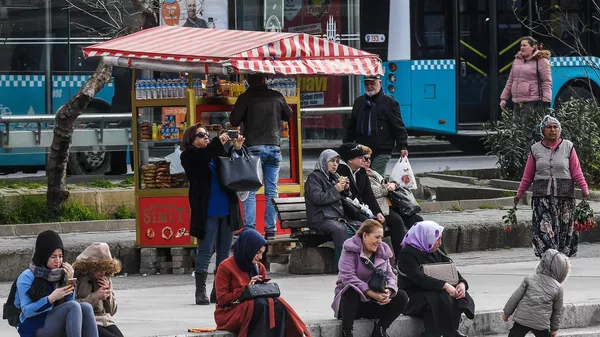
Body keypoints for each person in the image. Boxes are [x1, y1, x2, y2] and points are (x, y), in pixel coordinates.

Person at [180, 123, 246, 305]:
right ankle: (200, 291)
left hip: (227, 208)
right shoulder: (189, 155)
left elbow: (235, 169)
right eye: (201, 135)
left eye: (207, 134)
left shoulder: (216, 152)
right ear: (191, 140)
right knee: (205, 250)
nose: (206, 137)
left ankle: (219, 290)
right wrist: (221, 140)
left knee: (224, 253)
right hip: (207, 210)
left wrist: (237, 149)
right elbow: (204, 156)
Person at [514, 115, 589, 257]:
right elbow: (527, 175)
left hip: (564, 198)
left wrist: (584, 188)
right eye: (549, 127)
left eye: (555, 127)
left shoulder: (568, 147)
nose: (552, 130)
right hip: (542, 199)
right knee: (545, 230)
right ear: (543, 130)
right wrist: (519, 193)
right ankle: (549, 258)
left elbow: (576, 171)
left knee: (563, 231)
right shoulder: (535, 149)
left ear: (559, 130)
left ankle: (560, 260)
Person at [230, 73, 293, 240]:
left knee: (251, 189)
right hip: (274, 146)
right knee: (272, 190)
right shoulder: (277, 95)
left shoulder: (246, 97)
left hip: (254, 147)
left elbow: (234, 120)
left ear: (248, 82)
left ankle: (250, 227)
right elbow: (289, 115)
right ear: (265, 80)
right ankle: (270, 228)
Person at [213, 229, 311, 337]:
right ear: (248, 248)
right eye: (258, 252)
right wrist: (246, 290)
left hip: (253, 306)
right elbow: (222, 300)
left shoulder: (259, 267)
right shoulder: (225, 267)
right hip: (229, 312)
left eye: (262, 253)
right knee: (259, 305)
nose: (260, 257)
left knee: (278, 304)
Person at [397, 221, 475, 337]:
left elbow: (449, 269)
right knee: (441, 298)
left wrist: (461, 283)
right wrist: (444, 285)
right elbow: (417, 277)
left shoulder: (435, 249)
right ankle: (448, 333)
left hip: (435, 289)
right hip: (414, 294)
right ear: (426, 237)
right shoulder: (407, 253)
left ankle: (448, 331)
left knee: (457, 295)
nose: (439, 243)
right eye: (437, 239)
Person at [332, 220, 409, 337]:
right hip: (352, 305)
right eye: (377, 237)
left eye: (381, 238)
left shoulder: (382, 251)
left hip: (374, 302)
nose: (379, 241)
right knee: (351, 290)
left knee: (402, 296)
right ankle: (347, 332)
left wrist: (389, 291)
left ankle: (380, 329)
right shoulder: (350, 249)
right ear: (365, 235)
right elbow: (347, 277)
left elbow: (390, 275)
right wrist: (371, 293)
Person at [14, 230, 98, 337]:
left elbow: (70, 304)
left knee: (86, 307)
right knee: (73, 306)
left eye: (61, 256)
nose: (58, 261)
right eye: (53, 257)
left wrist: (69, 281)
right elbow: (27, 311)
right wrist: (51, 298)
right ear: (44, 255)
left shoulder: (60, 273)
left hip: (54, 318)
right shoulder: (27, 276)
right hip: (34, 325)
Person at [362, 145, 423, 259]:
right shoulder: (361, 174)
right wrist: (388, 187)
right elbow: (373, 192)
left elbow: (386, 182)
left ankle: (425, 253)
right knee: (397, 221)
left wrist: (394, 184)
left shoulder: (372, 172)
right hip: (380, 207)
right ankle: (402, 259)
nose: (368, 162)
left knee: (417, 220)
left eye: (369, 159)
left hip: (391, 204)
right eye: (364, 159)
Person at [304, 149, 361, 269]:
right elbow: (318, 198)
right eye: (332, 161)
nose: (335, 164)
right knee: (339, 229)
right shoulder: (314, 177)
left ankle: (360, 263)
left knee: (363, 226)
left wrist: (345, 189)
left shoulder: (334, 177)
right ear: (324, 162)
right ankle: (342, 266)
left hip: (336, 217)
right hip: (320, 218)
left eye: (337, 161)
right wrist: (336, 190)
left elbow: (346, 198)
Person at [343, 75, 409, 176]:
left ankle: (379, 190)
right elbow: (351, 126)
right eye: (366, 84)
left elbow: (398, 126)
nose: (369, 86)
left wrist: (403, 146)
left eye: (372, 83)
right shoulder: (359, 102)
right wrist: (346, 145)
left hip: (382, 149)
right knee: (362, 176)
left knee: (375, 176)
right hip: (363, 149)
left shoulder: (389, 102)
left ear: (380, 83)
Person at [502, 249, 569, 337]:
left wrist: (507, 313)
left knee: (515, 334)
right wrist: (554, 329)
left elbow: (515, 297)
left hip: (523, 318)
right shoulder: (558, 288)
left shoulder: (530, 279)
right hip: (541, 322)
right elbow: (557, 311)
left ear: (542, 263)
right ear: (562, 270)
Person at [73, 242, 123, 337]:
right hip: (89, 320)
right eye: (99, 269)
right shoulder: (78, 277)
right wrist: (96, 296)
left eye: (105, 269)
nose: (102, 273)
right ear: (91, 267)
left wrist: (108, 296)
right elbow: (72, 304)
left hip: (106, 320)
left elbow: (112, 311)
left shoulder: (106, 277)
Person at [500, 36, 552, 123]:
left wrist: (546, 102)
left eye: (525, 45)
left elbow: (546, 82)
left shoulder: (541, 60)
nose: (522, 48)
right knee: (517, 130)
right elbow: (510, 81)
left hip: (532, 102)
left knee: (527, 130)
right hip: (517, 102)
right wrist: (504, 98)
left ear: (533, 47)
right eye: (521, 46)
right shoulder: (517, 60)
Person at [335, 142, 385, 224]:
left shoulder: (361, 171)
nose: (364, 160)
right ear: (350, 159)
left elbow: (369, 195)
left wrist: (378, 212)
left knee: (381, 221)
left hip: (360, 208)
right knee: (370, 224)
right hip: (347, 211)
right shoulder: (340, 171)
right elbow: (344, 199)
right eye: (360, 157)